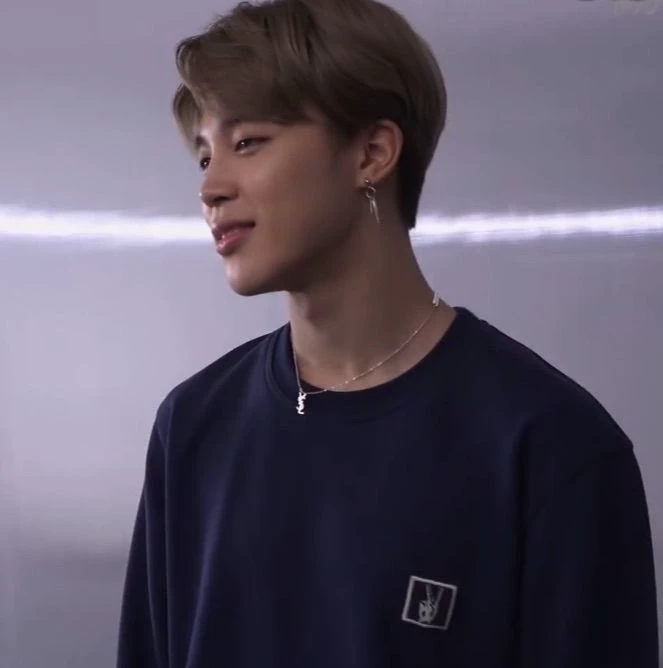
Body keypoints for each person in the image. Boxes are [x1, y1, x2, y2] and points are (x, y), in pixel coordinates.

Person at [116, 0, 659, 666]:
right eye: (204, 157)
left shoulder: (549, 448)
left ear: (372, 153)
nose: (211, 188)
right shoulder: (192, 427)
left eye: (248, 142)